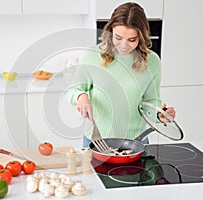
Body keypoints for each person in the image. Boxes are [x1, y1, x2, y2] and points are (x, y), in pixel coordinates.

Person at [66, 2, 175, 147]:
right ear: (110, 30)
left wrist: (160, 115)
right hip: (97, 141)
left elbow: (151, 100)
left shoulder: (152, 61)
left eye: (132, 40)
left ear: (141, 37)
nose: (124, 45)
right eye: (118, 37)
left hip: (135, 142)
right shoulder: (93, 55)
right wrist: (81, 96)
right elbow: (73, 90)